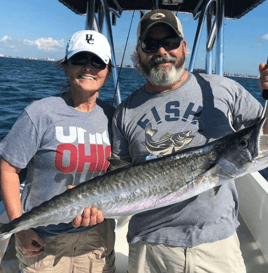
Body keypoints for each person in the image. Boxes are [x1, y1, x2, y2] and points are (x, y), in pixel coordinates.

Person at [112, 9, 268, 273]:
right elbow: (117, 174)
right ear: (139, 53)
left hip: (218, 245)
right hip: (149, 248)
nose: (162, 51)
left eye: (170, 43)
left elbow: (263, 137)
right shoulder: (123, 113)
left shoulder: (223, 90)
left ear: (183, 47)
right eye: (151, 45)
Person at [0, 30, 116, 273]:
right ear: (66, 67)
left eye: (97, 61)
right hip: (43, 241)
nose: (88, 67)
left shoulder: (112, 117)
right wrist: (19, 227)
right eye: (79, 59)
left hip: (97, 240)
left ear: (107, 70)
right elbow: (8, 168)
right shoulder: (41, 113)